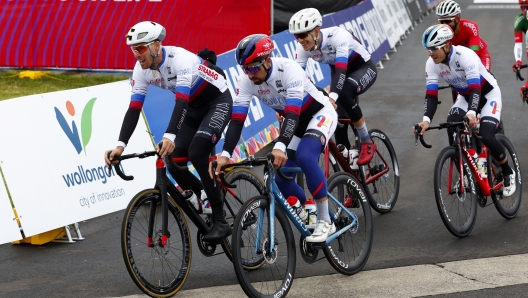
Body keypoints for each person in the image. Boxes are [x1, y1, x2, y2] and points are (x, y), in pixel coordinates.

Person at [104, 21, 233, 242]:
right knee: (171, 157)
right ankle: (204, 193)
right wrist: (120, 145)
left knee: (197, 151)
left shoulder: (180, 59)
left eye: (141, 48)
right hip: (194, 108)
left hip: (217, 101)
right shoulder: (141, 70)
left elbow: (181, 100)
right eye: (133, 49)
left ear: (156, 46)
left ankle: (221, 220)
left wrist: (169, 136)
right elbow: (134, 108)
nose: (137, 54)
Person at [210, 34, 338, 242]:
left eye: (253, 68)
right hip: (294, 122)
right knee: (281, 177)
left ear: (267, 61)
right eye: (245, 68)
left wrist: (280, 145)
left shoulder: (289, 70)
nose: (249, 74)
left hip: (318, 114)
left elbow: (294, 112)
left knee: (305, 156)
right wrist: (225, 154)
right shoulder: (247, 80)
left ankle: (325, 221)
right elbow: (237, 120)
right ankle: (310, 211)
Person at [414, 24, 515, 197]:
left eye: (433, 49)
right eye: (427, 49)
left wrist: (472, 113)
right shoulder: (432, 63)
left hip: (488, 95)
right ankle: (468, 167)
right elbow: (431, 95)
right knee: (453, 124)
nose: (430, 53)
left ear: (446, 46)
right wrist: (425, 120)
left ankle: (508, 172)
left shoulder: (465, 55)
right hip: (465, 97)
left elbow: (476, 88)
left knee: (487, 134)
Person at [287, 8, 377, 165]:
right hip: (338, 73)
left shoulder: (337, 36)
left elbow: (342, 69)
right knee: (338, 123)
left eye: (302, 35)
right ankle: (352, 175)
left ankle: (367, 140)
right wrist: (287, 104)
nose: (299, 40)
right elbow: (297, 79)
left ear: (316, 31)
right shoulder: (302, 48)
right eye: (296, 36)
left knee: (342, 94)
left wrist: (332, 98)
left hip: (361, 67)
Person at [436, 0, 492, 106]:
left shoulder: (470, 26)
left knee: (481, 83)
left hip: (481, 56)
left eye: (448, 21)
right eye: (441, 22)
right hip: (461, 60)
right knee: (458, 90)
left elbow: (474, 54)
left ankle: (488, 111)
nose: (444, 25)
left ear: (457, 18)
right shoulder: (442, 33)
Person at [513, 0, 528, 100]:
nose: (525, 10)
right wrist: (518, 61)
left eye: (527, 6)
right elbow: (518, 44)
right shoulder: (520, 20)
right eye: (523, 7)